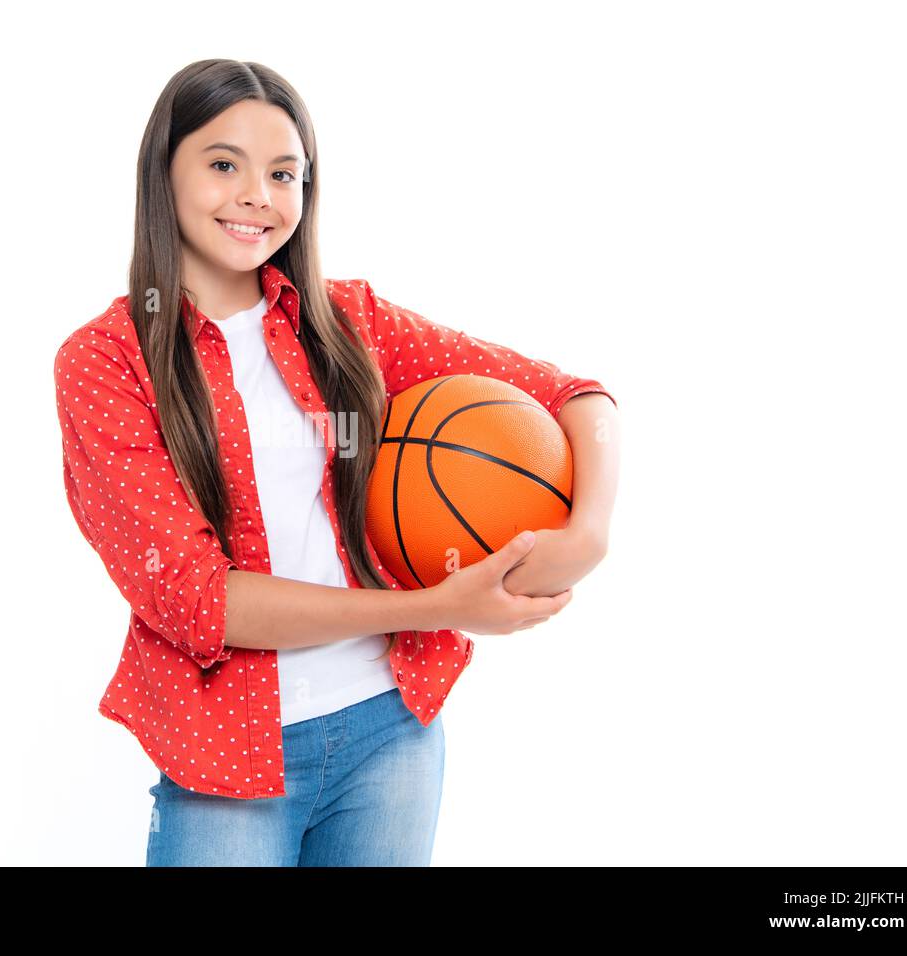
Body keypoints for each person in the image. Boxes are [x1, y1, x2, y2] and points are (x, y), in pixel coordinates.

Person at [53, 59, 620, 866]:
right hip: (229, 760)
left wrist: (589, 534)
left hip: (391, 735)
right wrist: (434, 607)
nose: (258, 195)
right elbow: (197, 601)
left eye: (284, 173)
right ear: (163, 172)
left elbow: (577, 396)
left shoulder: (348, 321)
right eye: (223, 164)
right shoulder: (106, 363)